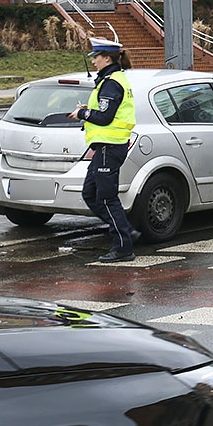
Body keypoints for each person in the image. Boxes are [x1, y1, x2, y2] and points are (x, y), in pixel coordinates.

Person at [68, 38, 140, 262]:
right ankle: (125, 231)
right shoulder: (109, 80)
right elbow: (106, 110)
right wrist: (88, 109)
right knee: (90, 193)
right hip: (104, 148)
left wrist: (82, 114)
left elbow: (105, 117)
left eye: (96, 58)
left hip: (111, 147)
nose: (94, 62)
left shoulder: (112, 82)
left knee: (107, 198)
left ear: (106, 58)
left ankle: (123, 247)